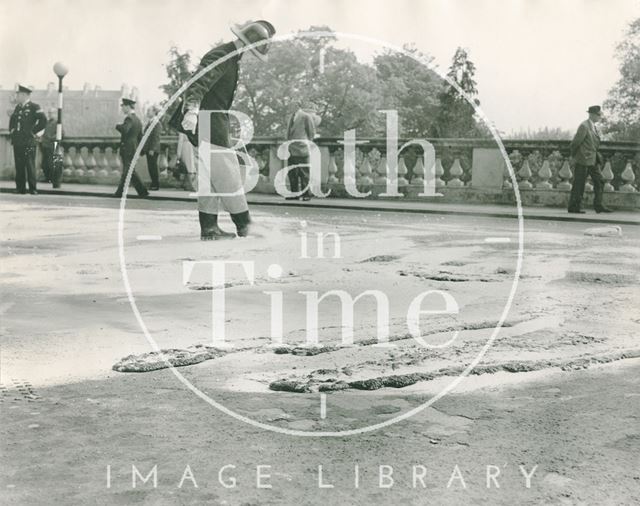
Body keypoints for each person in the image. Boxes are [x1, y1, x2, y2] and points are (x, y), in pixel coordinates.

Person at [172, 19, 276, 240]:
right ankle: (245, 225)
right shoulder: (223, 55)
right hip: (209, 122)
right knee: (227, 173)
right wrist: (192, 110)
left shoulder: (230, 56)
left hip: (209, 121)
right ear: (249, 45)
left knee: (209, 177)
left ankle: (209, 228)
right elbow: (198, 82)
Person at [568, 105, 612, 214]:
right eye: (598, 115)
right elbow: (575, 143)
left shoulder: (593, 126)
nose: (600, 117)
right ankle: (574, 207)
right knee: (579, 183)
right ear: (592, 115)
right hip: (583, 159)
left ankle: (598, 205)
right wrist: (576, 157)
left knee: (600, 181)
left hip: (593, 160)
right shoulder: (584, 126)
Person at [9, 85, 47, 194]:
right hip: (17, 141)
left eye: (19, 95)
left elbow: (43, 121)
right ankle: (20, 188)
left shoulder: (34, 107)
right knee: (19, 165)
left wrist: (33, 132)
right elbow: (12, 120)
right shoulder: (18, 107)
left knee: (30, 165)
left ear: (25, 95)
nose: (17, 96)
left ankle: (32, 188)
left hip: (29, 141)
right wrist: (12, 130)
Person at [114, 98, 149, 198]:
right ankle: (142, 192)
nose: (122, 108)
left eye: (123, 106)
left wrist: (117, 126)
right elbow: (140, 136)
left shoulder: (129, 118)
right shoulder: (137, 120)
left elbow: (125, 130)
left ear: (128, 107)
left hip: (127, 149)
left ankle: (120, 193)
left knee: (128, 171)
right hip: (133, 148)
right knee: (129, 171)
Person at [285, 101, 318, 201]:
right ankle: (295, 194)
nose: (291, 107)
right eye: (290, 105)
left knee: (304, 173)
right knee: (292, 172)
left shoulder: (305, 116)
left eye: (292, 105)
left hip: (301, 148)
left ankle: (306, 194)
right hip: (291, 148)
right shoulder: (291, 117)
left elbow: (311, 132)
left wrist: (306, 143)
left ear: (298, 106)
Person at [40, 107, 63, 184]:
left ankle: (53, 179)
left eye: (51, 113)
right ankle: (47, 177)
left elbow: (61, 133)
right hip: (45, 145)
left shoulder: (57, 123)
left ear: (55, 114)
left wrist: (51, 138)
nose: (49, 114)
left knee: (51, 163)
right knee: (45, 163)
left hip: (52, 145)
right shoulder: (47, 122)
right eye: (49, 113)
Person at [142, 107, 162, 190]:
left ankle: (155, 184)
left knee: (153, 166)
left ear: (154, 112)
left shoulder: (156, 123)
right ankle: (154, 184)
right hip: (150, 149)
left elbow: (155, 137)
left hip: (152, 149)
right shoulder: (151, 122)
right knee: (151, 166)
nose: (147, 112)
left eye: (149, 111)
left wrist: (152, 149)